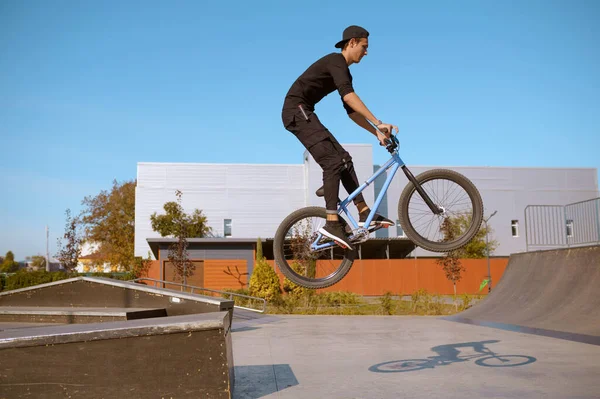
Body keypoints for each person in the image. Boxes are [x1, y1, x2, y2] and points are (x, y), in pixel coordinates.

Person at [281, 25, 398, 249]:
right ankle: (332, 223)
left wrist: (375, 132)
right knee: (333, 163)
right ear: (352, 42)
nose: (366, 52)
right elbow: (349, 96)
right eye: (364, 47)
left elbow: (351, 110)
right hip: (296, 111)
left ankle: (364, 212)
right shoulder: (336, 60)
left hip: (304, 112)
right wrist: (378, 122)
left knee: (345, 159)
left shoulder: (342, 69)